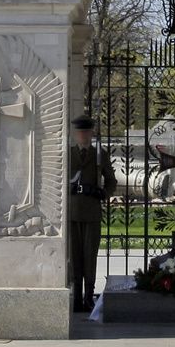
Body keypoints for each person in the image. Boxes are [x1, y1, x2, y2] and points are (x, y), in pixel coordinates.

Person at [67, 113, 115, 313]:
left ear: (91, 133)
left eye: (86, 132)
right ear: (75, 134)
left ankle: (88, 296)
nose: (83, 135)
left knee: (90, 256)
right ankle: (76, 297)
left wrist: (103, 193)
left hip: (92, 211)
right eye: (80, 132)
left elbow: (111, 181)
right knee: (75, 257)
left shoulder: (99, 154)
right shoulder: (68, 153)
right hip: (72, 212)